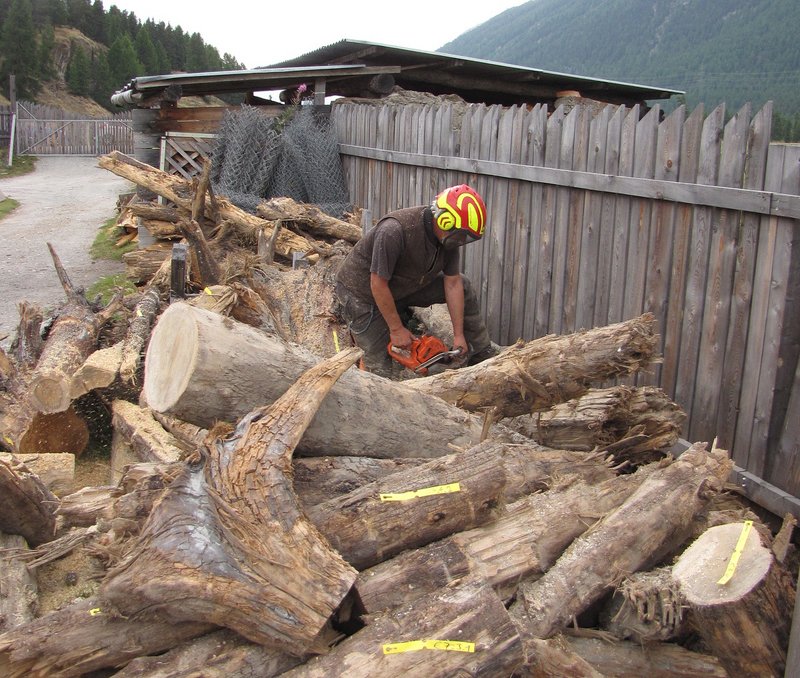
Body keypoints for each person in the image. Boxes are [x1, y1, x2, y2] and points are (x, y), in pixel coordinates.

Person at [335, 184, 497, 377]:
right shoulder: (394, 231)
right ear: (445, 221)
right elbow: (377, 284)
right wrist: (396, 329)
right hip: (361, 293)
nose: (461, 242)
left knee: (463, 284)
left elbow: (452, 283)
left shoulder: (448, 240)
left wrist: (459, 335)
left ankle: (482, 353)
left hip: (403, 285)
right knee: (381, 369)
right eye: (461, 235)